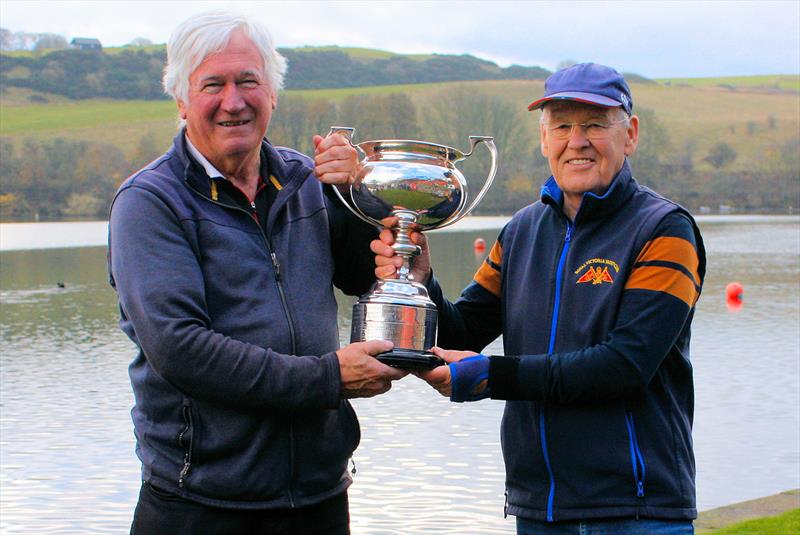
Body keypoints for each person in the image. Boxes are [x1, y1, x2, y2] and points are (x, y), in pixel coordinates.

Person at [373, 63, 706, 534]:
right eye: (563, 126)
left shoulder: (665, 231)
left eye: (594, 124)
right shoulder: (521, 231)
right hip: (538, 508)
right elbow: (465, 328)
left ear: (629, 135)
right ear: (544, 139)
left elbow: (625, 366)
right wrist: (423, 281)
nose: (578, 140)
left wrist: (490, 376)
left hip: (635, 511)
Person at [108, 11, 405, 535]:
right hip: (199, 504)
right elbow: (181, 349)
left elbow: (369, 277)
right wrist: (328, 376)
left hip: (318, 494)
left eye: (249, 81)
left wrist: (366, 202)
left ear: (272, 93)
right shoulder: (150, 203)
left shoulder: (306, 182)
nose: (234, 100)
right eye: (212, 85)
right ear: (180, 100)